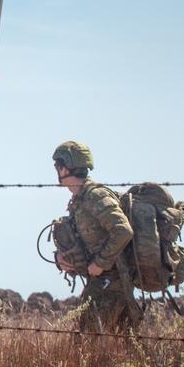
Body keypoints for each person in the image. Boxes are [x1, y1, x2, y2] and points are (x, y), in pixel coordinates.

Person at [53, 140, 141, 334]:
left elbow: (123, 230)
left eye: (58, 166)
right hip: (101, 282)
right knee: (120, 343)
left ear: (66, 167)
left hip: (113, 282)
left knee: (87, 340)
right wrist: (62, 259)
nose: (57, 171)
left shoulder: (96, 196)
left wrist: (100, 263)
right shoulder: (79, 200)